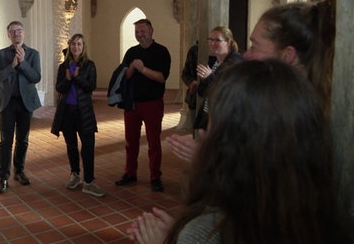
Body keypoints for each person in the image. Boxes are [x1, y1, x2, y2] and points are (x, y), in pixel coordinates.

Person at [127, 59, 333, 244]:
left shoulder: (214, 229)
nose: (203, 134)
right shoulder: (313, 212)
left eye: (212, 127)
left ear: (234, 144)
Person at [167, 0, 336, 162]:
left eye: (255, 46)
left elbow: (270, 180)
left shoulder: (296, 114)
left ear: (288, 55)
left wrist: (210, 159)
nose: (246, 55)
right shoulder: (286, 100)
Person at [115, 18, 171, 192]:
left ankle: (155, 176)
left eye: (143, 31)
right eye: (137, 32)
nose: (140, 35)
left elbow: (162, 77)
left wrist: (143, 69)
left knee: (154, 142)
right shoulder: (131, 52)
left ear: (151, 31)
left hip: (153, 103)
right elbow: (125, 76)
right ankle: (130, 173)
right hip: (133, 104)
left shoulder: (161, 52)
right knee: (130, 141)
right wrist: (132, 68)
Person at [51, 34, 104, 197]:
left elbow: (90, 87)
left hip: (84, 112)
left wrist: (77, 77)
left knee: (88, 147)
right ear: (70, 46)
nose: (76, 47)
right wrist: (67, 80)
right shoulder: (63, 66)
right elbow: (59, 88)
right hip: (66, 112)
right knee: (71, 146)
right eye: (73, 44)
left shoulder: (89, 65)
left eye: (79, 44)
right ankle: (75, 174)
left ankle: (89, 181)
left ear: (83, 47)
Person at [0, 21, 41, 194]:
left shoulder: (34, 54)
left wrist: (23, 63)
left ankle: (19, 171)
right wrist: (12, 66)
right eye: (12, 31)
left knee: (23, 139)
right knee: (6, 141)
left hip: (25, 102)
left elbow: (36, 77)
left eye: (19, 30)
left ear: (24, 33)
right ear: (8, 35)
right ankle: (3, 176)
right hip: (7, 102)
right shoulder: (1, 54)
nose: (16, 34)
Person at [193, 26, 242, 130]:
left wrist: (209, 77)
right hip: (209, 114)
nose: (212, 43)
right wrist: (203, 80)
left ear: (228, 42)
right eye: (210, 39)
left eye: (217, 40)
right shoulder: (215, 62)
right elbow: (203, 92)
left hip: (224, 118)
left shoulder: (236, 63)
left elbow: (227, 92)